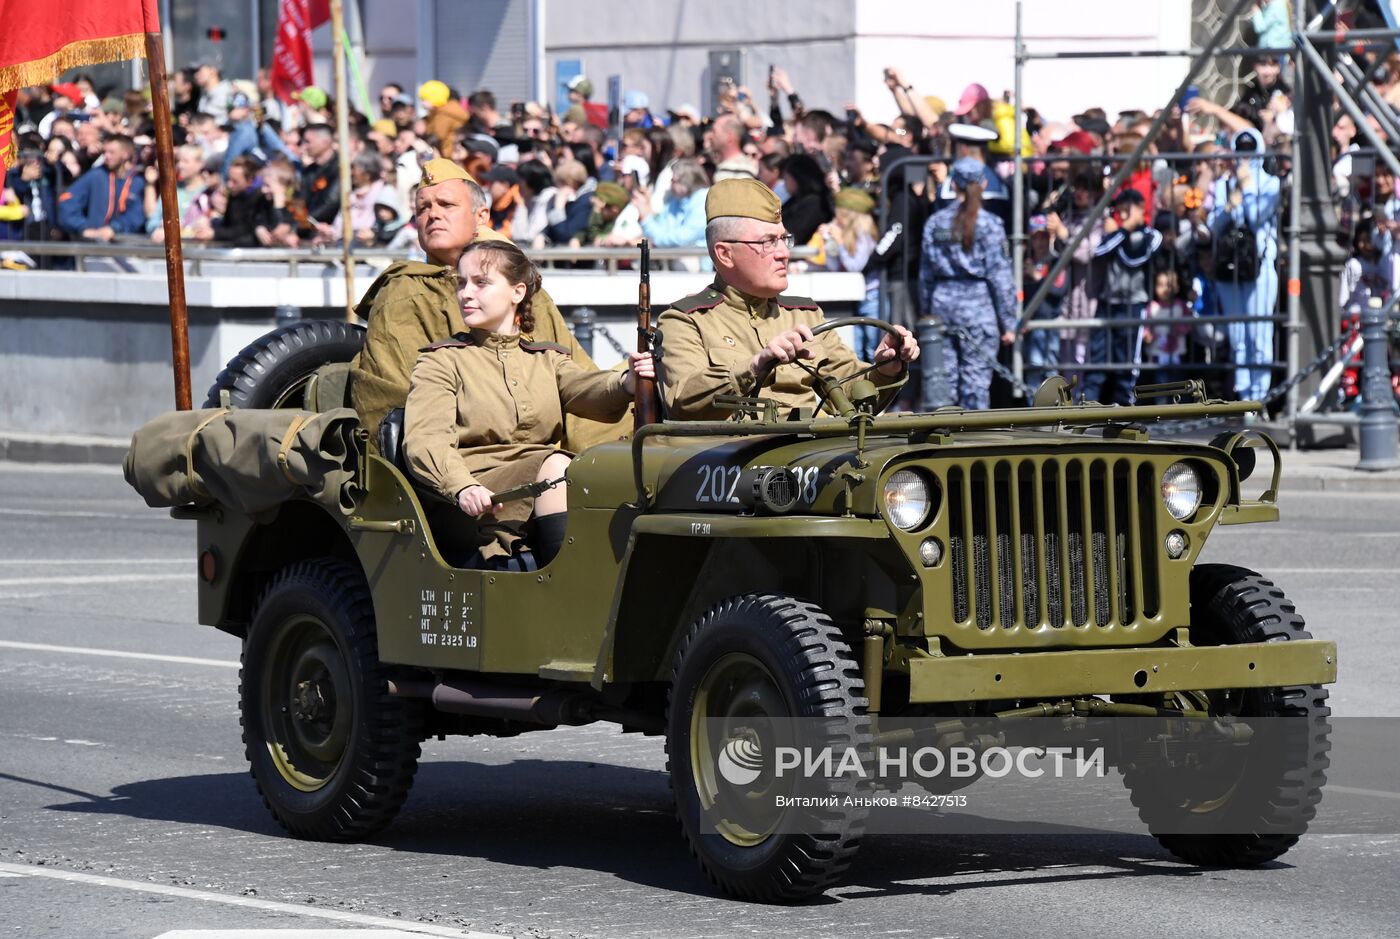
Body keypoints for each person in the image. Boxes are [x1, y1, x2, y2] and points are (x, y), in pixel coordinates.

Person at [404, 240, 653, 565]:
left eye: (480, 283)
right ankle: (567, 588)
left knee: (602, 473)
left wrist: (627, 382)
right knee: (557, 467)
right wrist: (462, 486)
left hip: (542, 483)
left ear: (517, 292)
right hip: (476, 493)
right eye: (462, 283)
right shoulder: (442, 362)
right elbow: (426, 440)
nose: (465, 293)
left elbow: (585, 388)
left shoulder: (546, 359)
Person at [348, 158, 609, 452]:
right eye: (423, 208)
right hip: (468, 455)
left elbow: (577, 377)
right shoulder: (404, 292)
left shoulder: (523, 287)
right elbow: (398, 400)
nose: (433, 215)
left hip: (551, 448)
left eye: (446, 205)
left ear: (481, 216)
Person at [655, 177, 918, 421]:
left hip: (805, 459)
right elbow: (683, 401)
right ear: (725, 254)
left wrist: (886, 370)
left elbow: (850, 398)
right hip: (728, 463)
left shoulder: (803, 314)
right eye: (768, 242)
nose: (783, 253)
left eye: (784, 239)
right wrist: (756, 364)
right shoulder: (686, 321)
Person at [919, 157, 1017, 410]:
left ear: (953, 184)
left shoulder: (935, 222)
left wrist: (927, 310)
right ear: (983, 184)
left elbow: (926, 276)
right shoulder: (990, 224)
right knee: (975, 381)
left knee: (945, 381)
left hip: (942, 305)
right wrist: (1008, 322)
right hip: (978, 307)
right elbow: (1000, 277)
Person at [1208, 127, 1280, 404]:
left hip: (1260, 266)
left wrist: (1247, 186)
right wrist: (1228, 207)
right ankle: (1242, 396)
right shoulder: (1223, 185)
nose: (1245, 157)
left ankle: (1258, 397)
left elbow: (1257, 217)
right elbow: (1215, 227)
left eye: (1251, 151)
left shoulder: (1271, 184)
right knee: (1238, 336)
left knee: (1259, 334)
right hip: (1231, 268)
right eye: (1241, 151)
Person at [1082, 188, 1162, 405]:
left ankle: (1125, 408)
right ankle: (1088, 407)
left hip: (1133, 306)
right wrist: (1120, 232)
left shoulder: (1151, 235)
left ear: (1141, 209)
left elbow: (1135, 258)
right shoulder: (1115, 235)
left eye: (1128, 210)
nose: (1123, 215)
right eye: (1120, 211)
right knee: (1097, 359)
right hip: (1108, 303)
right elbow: (1099, 252)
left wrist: (1122, 231)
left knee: (1126, 362)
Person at [55, 134, 146, 242]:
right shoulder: (96, 175)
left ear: (126, 154)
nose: (106, 156)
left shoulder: (138, 180)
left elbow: (137, 214)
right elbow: (67, 202)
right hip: (96, 246)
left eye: (112, 152)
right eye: (104, 152)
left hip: (130, 246)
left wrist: (115, 228)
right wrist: (83, 227)